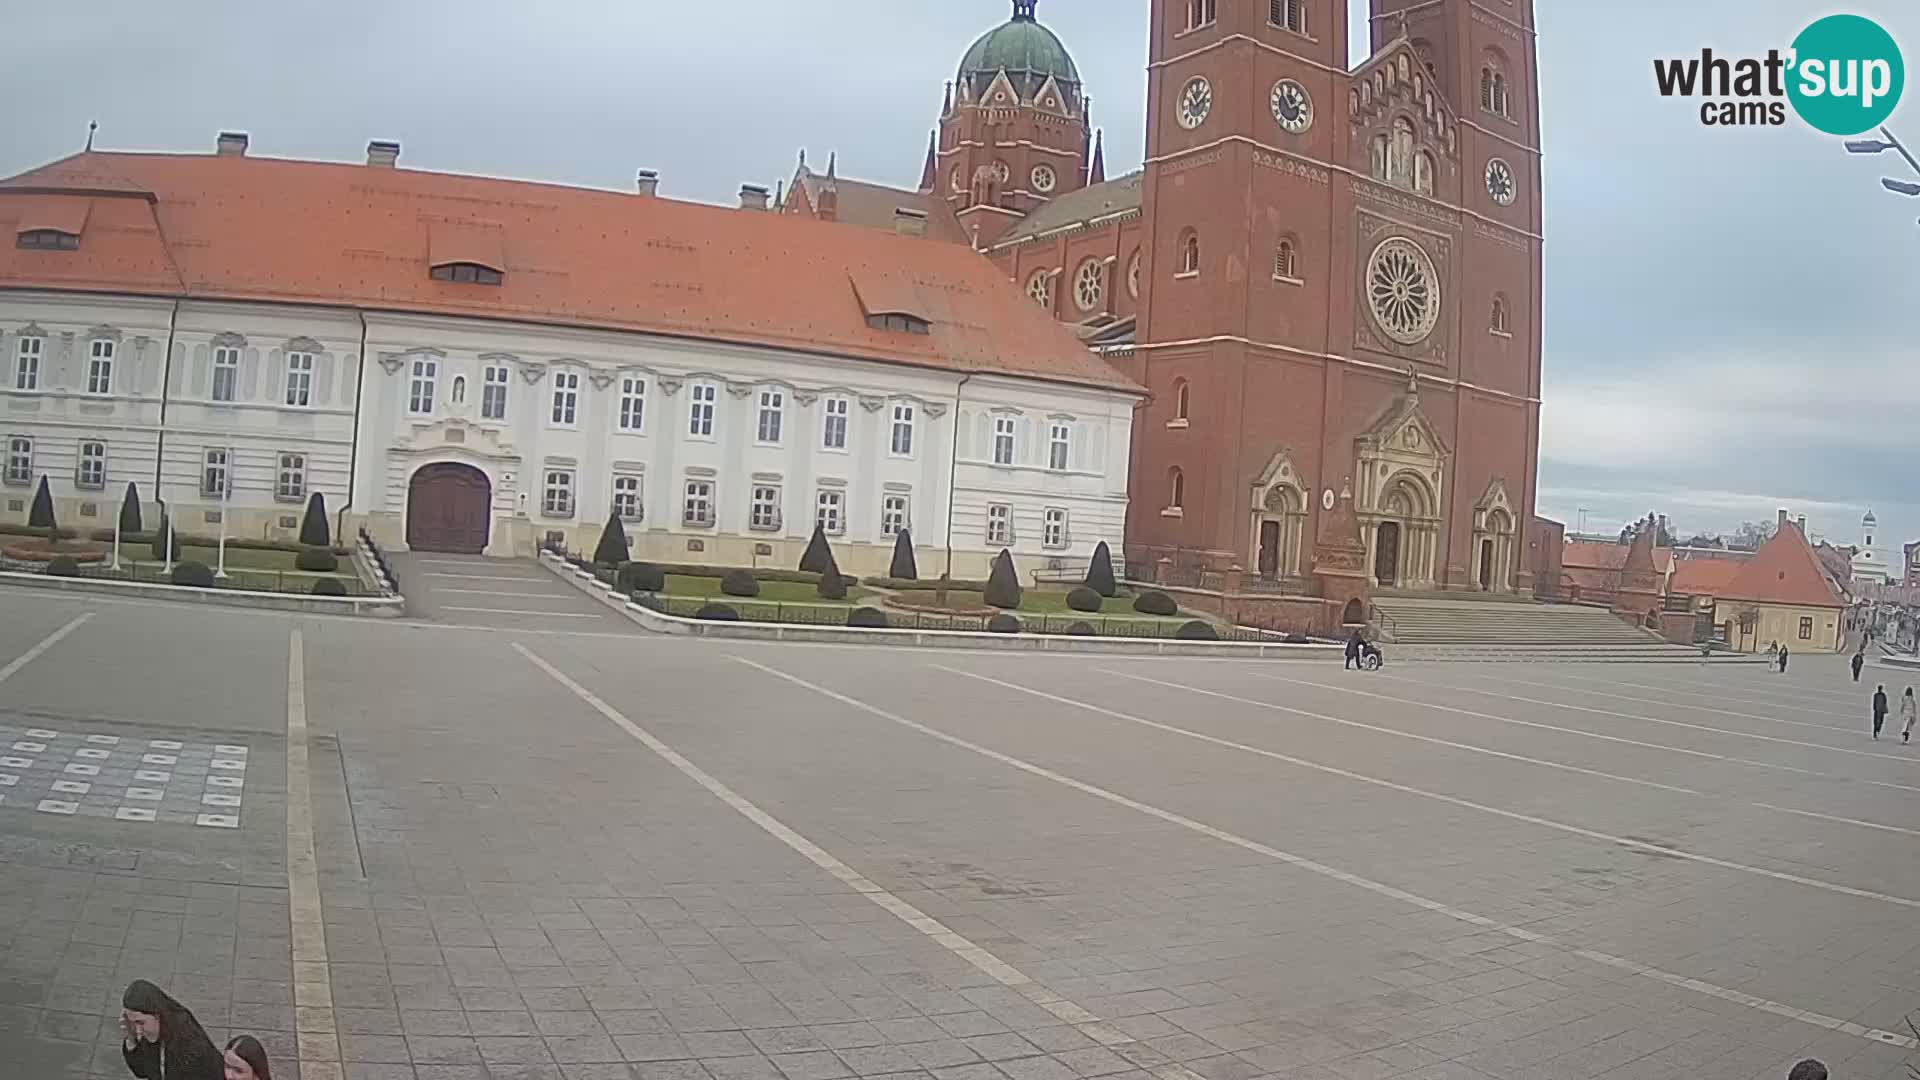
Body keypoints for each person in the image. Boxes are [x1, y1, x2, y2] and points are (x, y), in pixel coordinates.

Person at [121, 980, 223, 1080]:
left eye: (141, 1022)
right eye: (133, 1023)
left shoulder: (189, 1046)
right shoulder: (153, 1031)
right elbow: (141, 1072)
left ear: (158, 1015)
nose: (138, 1030)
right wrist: (131, 1039)